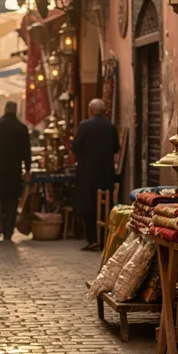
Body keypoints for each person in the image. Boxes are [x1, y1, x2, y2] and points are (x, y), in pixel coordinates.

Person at [0, 101, 33, 242]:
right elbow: (26, 151)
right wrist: (27, 169)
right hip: (13, 170)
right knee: (12, 200)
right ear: (15, 111)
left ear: (5, 109)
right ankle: (8, 231)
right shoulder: (22, 128)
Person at [72, 98, 119, 250]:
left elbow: (75, 147)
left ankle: (92, 239)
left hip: (87, 173)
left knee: (88, 205)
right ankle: (105, 238)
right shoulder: (110, 126)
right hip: (106, 172)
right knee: (105, 205)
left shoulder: (84, 125)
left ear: (90, 110)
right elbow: (115, 148)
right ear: (104, 111)